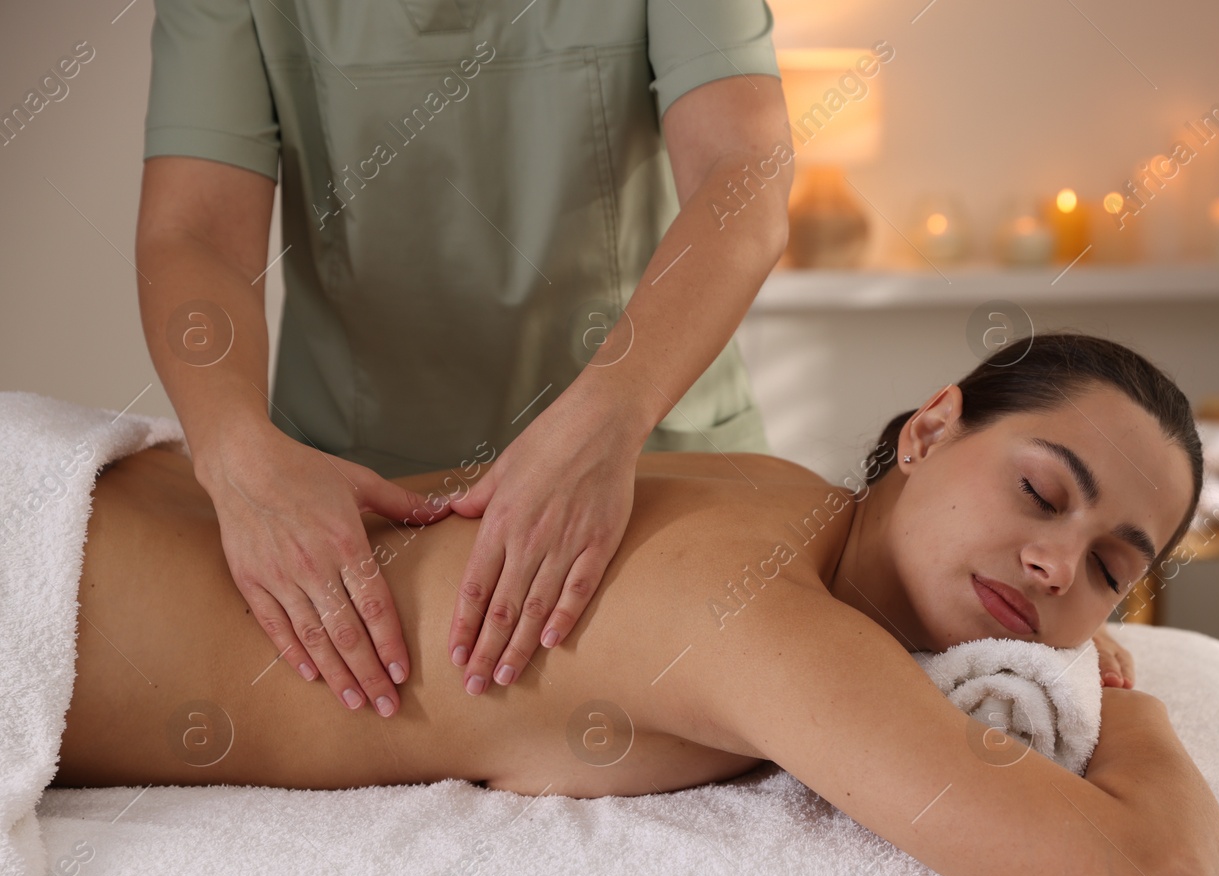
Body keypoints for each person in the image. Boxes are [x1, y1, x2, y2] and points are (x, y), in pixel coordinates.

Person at [55, 333, 1219, 876]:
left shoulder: (789, 504)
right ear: (928, 428)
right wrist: (1142, 714)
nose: (1053, 567)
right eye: (1039, 491)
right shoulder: (765, 617)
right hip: (49, 572)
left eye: (1111, 571)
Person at [134, 0, 795, 738]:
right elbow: (193, 232)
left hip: (647, 476)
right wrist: (231, 452)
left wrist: (611, 415)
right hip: (354, 522)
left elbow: (742, 168)